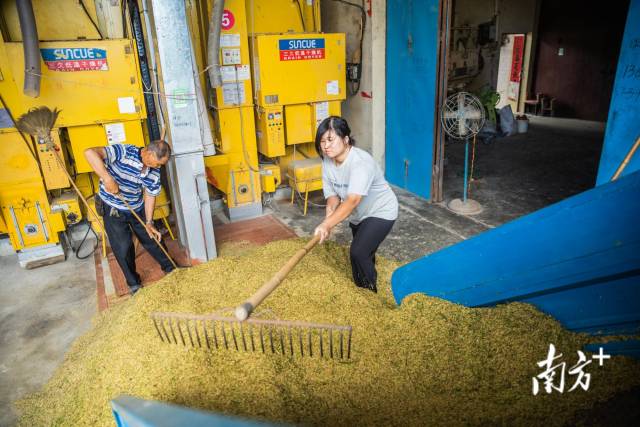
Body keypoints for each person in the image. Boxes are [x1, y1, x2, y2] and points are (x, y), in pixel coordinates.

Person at [313, 116, 398, 293]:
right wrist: (329, 219)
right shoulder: (327, 162)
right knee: (362, 254)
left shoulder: (360, 163)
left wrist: (327, 224)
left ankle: (371, 293)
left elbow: (352, 200)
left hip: (381, 210)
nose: (326, 146)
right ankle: (361, 292)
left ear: (345, 139)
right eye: (322, 141)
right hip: (359, 215)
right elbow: (333, 196)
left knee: (358, 252)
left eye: (330, 140)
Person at [84, 141, 174, 295]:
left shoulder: (154, 172)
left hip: (136, 206)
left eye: (161, 164)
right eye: (158, 163)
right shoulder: (124, 151)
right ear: (149, 154)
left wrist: (149, 222)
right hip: (113, 206)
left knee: (152, 236)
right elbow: (89, 152)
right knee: (123, 247)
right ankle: (133, 283)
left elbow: (150, 195)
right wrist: (107, 179)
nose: (159, 167)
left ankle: (170, 267)